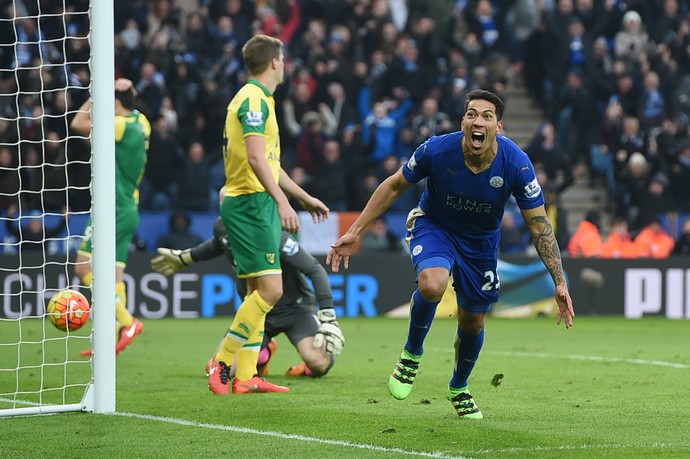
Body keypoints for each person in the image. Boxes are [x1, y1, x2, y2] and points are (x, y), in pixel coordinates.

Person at [327, 89, 574, 419]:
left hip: (481, 244)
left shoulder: (517, 164)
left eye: (487, 116)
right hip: (435, 226)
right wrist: (355, 230)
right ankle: (412, 354)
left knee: (472, 321)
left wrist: (559, 281)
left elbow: (539, 225)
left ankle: (459, 387)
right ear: (463, 122)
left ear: (498, 127)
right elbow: (394, 185)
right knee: (432, 284)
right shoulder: (437, 149)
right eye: (472, 114)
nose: (478, 121)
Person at [207, 35, 329, 395]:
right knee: (272, 291)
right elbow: (258, 160)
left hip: (253, 200)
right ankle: (224, 359)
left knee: (256, 292)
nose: (285, 64)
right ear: (275, 61)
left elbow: (271, 163)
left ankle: (246, 376)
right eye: (283, 58)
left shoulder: (259, 99)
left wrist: (303, 197)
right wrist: (282, 202)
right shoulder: (254, 101)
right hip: (251, 203)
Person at [150, 214, 344, 379]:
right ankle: (264, 353)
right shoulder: (224, 229)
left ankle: (302, 366)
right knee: (217, 370)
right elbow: (212, 247)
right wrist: (184, 258)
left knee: (318, 362)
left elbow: (315, 269)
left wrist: (327, 314)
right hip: (257, 312)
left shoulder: (272, 234)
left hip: (295, 309)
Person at [70, 78, 150, 357]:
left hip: (112, 208)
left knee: (83, 267)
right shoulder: (141, 122)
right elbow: (131, 102)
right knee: (115, 275)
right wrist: (125, 89)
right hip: (129, 207)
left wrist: (96, 94)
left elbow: (78, 124)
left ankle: (128, 321)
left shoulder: (118, 126)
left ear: (116, 104)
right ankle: (115, 336)